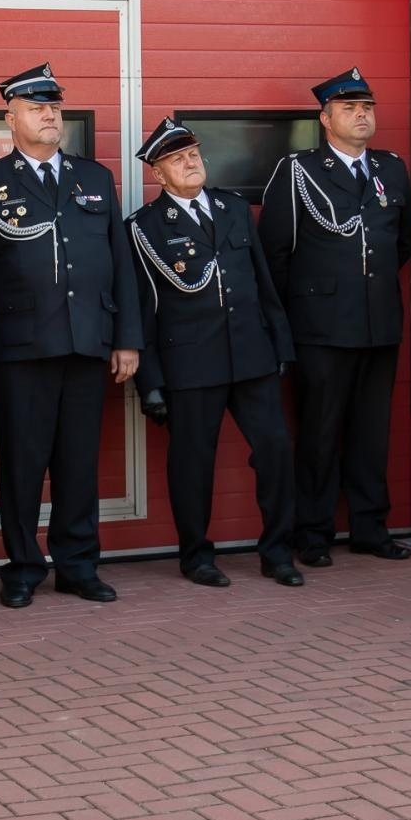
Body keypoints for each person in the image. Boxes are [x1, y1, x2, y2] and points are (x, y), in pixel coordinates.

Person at [0, 62, 141, 608]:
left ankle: (78, 564)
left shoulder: (94, 178)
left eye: (55, 107)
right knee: (22, 464)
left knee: (78, 463)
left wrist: (127, 337)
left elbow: (120, 262)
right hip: (22, 349)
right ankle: (22, 567)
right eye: (37, 107)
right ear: (9, 117)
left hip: (87, 342)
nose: (49, 116)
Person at [127, 119, 301, 588]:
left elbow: (264, 282)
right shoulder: (144, 228)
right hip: (190, 363)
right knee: (192, 463)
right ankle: (196, 556)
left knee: (276, 451)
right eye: (176, 158)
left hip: (251, 355)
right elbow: (142, 311)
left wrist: (280, 344)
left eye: (193, 154)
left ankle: (278, 552)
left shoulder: (233, 208)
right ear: (158, 175)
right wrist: (151, 383)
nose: (190, 162)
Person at [258, 66, 411, 567]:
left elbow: (403, 240)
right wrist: (290, 321)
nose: (362, 116)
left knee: (372, 431)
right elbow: (275, 251)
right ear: (326, 119)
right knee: (320, 432)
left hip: (378, 321)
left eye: (367, 107)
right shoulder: (299, 171)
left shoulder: (391, 168)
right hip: (320, 326)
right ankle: (313, 531)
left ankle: (371, 526)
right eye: (350, 108)